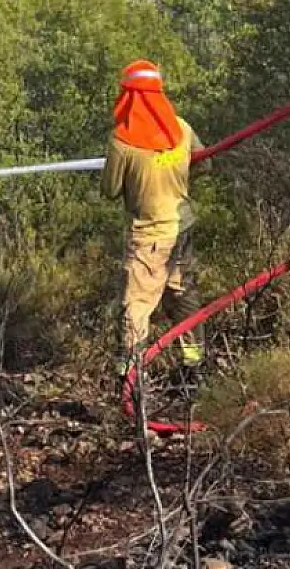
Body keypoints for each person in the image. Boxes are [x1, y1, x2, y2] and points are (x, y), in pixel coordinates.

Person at [101, 60, 206, 375]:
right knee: (182, 294)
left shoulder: (122, 141)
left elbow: (110, 189)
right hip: (182, 226)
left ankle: (132, 377)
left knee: (136, 305)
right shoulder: (182, 129)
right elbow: (204, 164)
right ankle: (194, 365)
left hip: (149, 236)